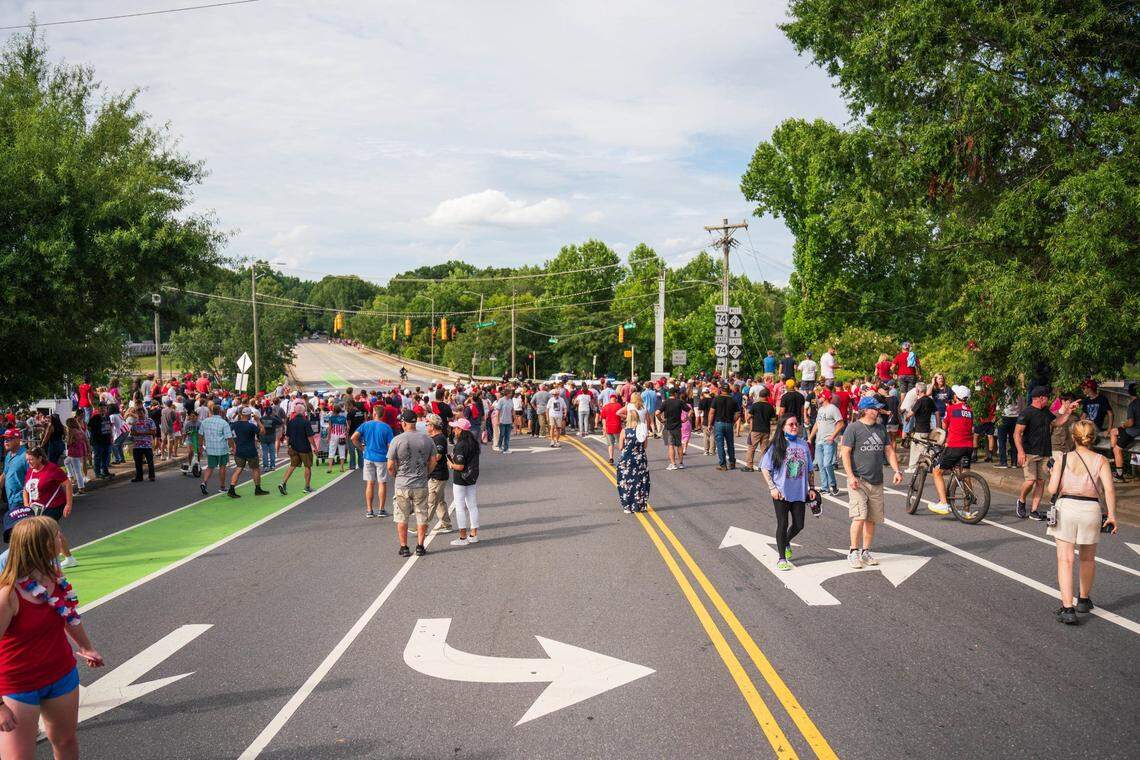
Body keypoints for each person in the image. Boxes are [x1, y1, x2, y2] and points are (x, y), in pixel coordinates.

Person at [0, 517, 105, 760]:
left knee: (66, 741)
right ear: (42, 544)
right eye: (57, 535)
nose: (61, 539)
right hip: (18, 685)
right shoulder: (8, 595)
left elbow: (67, 615)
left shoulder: (55, 577)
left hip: (61, 675)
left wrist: (87, 647)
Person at [1046, 420, 1118, 624]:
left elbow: (1052, 489)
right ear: (1092, 438)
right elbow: (1109, 490)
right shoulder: (1101, 460)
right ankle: (1084, 599)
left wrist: (1052, 473)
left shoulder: (1063, 458)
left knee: (1065, 560)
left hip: (1067, 507)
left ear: (1073, 437)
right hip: (1091, 509)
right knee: (1088, 558)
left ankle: (1067, 608)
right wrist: (1111, 515)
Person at [840, 397, 903, 568]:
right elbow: (845, 453)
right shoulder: (853, 428)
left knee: (871, 519)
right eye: (875, 409)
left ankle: (865, 551)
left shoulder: (881, 428)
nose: (878, 411)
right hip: (858, 480)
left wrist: (897, 470)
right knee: (859, 516)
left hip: (877, 481)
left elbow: (889, 451)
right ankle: (853, 551)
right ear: (866, 410)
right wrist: (850, 476)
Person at [760, 415, 816, 571]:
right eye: (791, 424)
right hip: (781, 493)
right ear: (783, 427)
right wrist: (772, 488)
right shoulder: (776, 445)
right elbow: (765, 468)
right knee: (783, 524)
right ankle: (781, 558)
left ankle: (785, 542)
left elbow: (810, 469)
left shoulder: (804, 444)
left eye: (796, 424)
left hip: (799, 492)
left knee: (799, 525)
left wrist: (812, 488)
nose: (795, 427)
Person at [388, 410, 438, 557]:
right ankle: (420, 546)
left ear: (403, 423)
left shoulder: (397, 440)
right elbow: (433, 461)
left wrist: (396, 475)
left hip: (402, 483)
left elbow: (390, 465)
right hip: (420, 482)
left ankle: (404, 547)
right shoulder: (427, 439)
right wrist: (426, 473)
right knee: (421, 514)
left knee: (401, 516)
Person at [21, 449, 77, 568]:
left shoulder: (52, 469)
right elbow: (25, 489)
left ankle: (52, 560)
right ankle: (68, 558)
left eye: (31, 459)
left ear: (40, 458)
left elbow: (67, 484)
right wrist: (26, 504)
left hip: (54, 505)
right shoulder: (30, 471)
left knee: (47, 532)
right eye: (27, 460)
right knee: (54, 532)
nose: (29, 462)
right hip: (37, 508)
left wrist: (68, 504)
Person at [929, 385, 975, 515]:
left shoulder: (951, 408)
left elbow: (944, 425)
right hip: (968, 447)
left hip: (955, 446)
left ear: (956, 396)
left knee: (937, 472)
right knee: (965, 475)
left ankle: (943, 503)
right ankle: (966, 510)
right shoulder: (970, 411)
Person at [1014, 386, 1055, 521]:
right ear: (1041, 398)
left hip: (1045, 452)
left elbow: (1057, 422)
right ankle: (1021, 500)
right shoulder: (1027, 413)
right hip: (1030, 453)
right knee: (1030, 481)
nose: (1048, 400)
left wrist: (1068, 412)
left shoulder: (1046, 412)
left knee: (1041, 481)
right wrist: (1020, 452)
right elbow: (1017, 433)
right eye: (1047, 397)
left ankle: (1034, 510)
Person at [352, 405, 395, 518]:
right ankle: (381, 509)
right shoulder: (386, 428)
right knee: (382, 483)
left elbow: (353, 438)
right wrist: (392, 459)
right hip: (382, 458)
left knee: (370, 483)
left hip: (368, 457)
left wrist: (362, 448)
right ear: (382, 414)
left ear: (374, 413)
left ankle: (369, 510)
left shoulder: (366, 425)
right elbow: (390, 445)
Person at [447, 418, 481, 546]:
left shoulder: (461, 445)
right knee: (472, 506)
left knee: (460, 507)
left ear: (460, 430)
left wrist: (450, 464)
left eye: (455, 428)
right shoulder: (474, 443)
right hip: (472, 477)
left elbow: (460, 466)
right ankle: (474, 534)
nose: (454, 430)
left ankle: (462, 537)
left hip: (460, 478)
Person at [616, 403, 650, 514]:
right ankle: (640, 505)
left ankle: (628, 506)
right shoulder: (643, 430)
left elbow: (620, 447)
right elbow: (645, 446)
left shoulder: (624, 431)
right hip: (640, 459)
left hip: (627, 459)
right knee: (641, 481)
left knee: (626, 482)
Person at [809, 389, 844, 496]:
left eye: (820, 396)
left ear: (825, 397)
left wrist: (832, 436)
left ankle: (833, 485)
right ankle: (825, 488)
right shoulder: (820, 409)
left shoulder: (833, 408)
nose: (818, 398)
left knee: (827, 464)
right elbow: (817, 424)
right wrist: (810, 438)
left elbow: (841, 423)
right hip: (819, 441)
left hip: (828, 440)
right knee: (821, 465)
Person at [228, 408, 269, 498]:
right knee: (255, 469)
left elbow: (230, 435)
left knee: (239, 469)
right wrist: (258, 421)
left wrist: (233, 447)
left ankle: (231, 489)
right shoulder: (251, 426)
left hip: (239, 450)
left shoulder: (235, 425)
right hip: (250, 450)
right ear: (249, 415)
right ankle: (257, 489)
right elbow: (263, 432)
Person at [278, 403, 317, 495]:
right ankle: (307, 487)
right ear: (304, 412)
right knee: (307, 466)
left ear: (295, 411)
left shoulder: (291, 422)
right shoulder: (306, 422)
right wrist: (315, 447)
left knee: (292, 465)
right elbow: (310, 437)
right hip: (305, 448)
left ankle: (283, 482)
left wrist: (288, 446)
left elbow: (287, 436)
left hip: (293, 447)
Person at [425, 415, 454, 533]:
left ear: (432, 426)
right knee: (439, 501)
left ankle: (422, 525)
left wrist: (424, 460)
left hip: (438, 475)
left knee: (431, 501)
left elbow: (437, 456)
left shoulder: (439, 439)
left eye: (427, 424)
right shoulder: (434, 438)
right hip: (435, 474)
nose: (426, 426)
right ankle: (446, 524)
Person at [198, 406, 234, 495]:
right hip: (222, 449)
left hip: (210, 448)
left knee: (210, 467)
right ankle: (222, 486)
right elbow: (229, 438)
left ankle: (204, 482)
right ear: (220, 412)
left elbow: (200, 435)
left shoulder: (205, 422)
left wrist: (200, 446)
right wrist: (233, 448)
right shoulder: (224, 423)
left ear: (211, 412)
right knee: (222, 467)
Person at [1109, 382, 1139, 483]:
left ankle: (1119, 475)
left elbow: (1130, 423)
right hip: (1135, 429)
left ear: (1129, 393)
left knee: (1117, 449)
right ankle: (1114, 457)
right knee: (1113, 431)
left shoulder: (1132, 404)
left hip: (1133, 430)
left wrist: (1123, 425)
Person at [741, 387, 776, 473]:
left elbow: (749, 416)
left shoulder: (755, 405)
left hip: (756, 429)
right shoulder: (770, 407)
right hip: (766, 430)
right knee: (764, 449)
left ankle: (749, 466)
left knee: (751, 448)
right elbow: (773, 420)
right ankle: (762, 466)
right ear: (767, 396)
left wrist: (748, 421)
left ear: (760, 396)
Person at [905, 383, 937, 472]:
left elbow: (911, 413)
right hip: (927, 428)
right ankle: (934, 463)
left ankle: (912, 467)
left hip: (920, 429)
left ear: (918, 391)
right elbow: (937, 412)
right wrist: (938, 426)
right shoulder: (930, 400)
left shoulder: (919, 401)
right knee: (925, 447)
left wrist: (907, 417)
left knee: (917, 448)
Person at [3, 433, 28, 545]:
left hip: (21, 499)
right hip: (11, 499)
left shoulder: (26, 456)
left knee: (22, 530)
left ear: (18, 440)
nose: (5, 442)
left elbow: (33, 476)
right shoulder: (9, 455)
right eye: (5, 439)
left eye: (9, 439)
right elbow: (5, 474)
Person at [995, 376, 1022, 469]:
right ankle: (1014, 462)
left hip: (1004, 417)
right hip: (1016, 418)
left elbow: (998, 407)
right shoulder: (1018, 393)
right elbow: (1022, 406)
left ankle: (1003, 462)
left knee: (1002, 440)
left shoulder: (1003, 393)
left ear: (1005, 383)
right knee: (1014, 440)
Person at [657, 390, 687, 470]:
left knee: (671, 445)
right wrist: (686, 419)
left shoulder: (665, 402)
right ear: (675, 394)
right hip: (678, 426)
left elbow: (657, 413)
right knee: (679, 445)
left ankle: (673, 464)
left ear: (668, 394)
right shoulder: (680, 402)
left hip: (668, 426)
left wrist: (661, 420)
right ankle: (681, 463)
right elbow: (690, 411)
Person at [128, 406, 158, 483]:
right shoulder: (135, 422)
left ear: (144, 413)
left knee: (150, 462)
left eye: (141, 413)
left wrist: (141, 433)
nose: (139, 414)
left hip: (147, 445)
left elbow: (153, 431)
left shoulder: (149, 421)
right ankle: (139, 477)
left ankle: (151, 476)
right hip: (137, 445)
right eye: (138, 413)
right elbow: (132, 432)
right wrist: (134, 433)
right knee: (138, 463)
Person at [88, 403, 112, 480]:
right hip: (97, 441)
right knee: (98, 457)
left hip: (106, 440)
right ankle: (97, 473)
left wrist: (111, 437)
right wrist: (96, 434)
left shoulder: (107, 417)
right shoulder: (95, 417)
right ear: (98, 409)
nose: (103, 410)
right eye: (101, 408)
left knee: (105, 457)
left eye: (104, 408)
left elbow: (109, 427)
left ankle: (105, 471)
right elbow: (89, 427)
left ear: (106, 409)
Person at [62, 418, 87, 495]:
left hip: (73, 452)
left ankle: (81, 488)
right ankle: (71, 476)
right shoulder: (79, 430)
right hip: (79, 451)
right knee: (66, 461)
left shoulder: (71, 431)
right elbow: (85, 440)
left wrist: (65, 440)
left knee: (77, 470)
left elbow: (69, 442)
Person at [600, 394, 624, 465]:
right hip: (617, 427)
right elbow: (622, 416)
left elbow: (603, 418)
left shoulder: (606, 406)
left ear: (610, 399)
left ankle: (611, 458)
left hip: (608, 427)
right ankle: (623, 458)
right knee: (620, 443)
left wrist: (604, 426)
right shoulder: (619, 406)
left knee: (610, 444)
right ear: (615, 399)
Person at [258, 405, 280, 472]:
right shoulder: (273, 418)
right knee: (272, 452)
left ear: (265, 411)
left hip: (263, 436)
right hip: (271, 436)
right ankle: (272, 466)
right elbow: (280, 422)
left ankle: (265, 466)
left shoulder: (261, 419)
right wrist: (275, 415)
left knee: (264, 452)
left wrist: (258, 437)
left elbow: (258, 427)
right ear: (271, 412)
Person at [494, 388, 514, 453]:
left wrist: (514, 419)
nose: (511, 394)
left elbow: (512, 410)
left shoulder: (511, 400)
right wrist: (497, 420)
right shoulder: (501, 400)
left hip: (509, 421)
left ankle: (506, 448)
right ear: (507, 393)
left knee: (507, 436)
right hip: (502, 421)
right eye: (510, 393)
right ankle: (500, 447)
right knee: (502, 434)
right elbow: (498, 411)